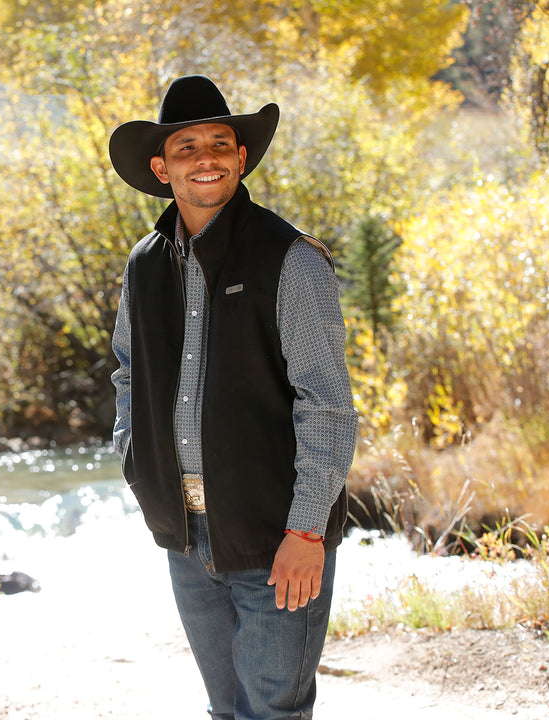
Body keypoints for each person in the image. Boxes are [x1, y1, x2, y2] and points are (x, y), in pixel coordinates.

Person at [107, 75, 358, 720]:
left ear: (241, 158)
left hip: (277, 535)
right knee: (226, 709)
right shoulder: (143, 265)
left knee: (271, 711)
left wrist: (306, 529)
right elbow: (128, 370)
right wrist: (137, 464)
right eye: (188, 147)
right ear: (162, 168)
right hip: (186, 536)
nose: (208, 158)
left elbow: (325, 403)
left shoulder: (290, 260)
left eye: (221, 143)